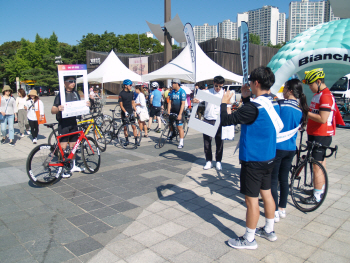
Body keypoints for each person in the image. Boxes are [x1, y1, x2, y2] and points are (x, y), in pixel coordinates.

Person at [221, 66, 281, 249]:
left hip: (253, 160)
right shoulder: (274, 102)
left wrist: (224, 103)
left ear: (256, 83)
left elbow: (227, 120)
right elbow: (254, 113)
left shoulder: (254, 107)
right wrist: (246, 98)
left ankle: (248, 239)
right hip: (269, 157)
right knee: (267, 193)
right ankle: (269, 230)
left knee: (251, 200)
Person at [271, 79, 309, 222]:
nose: (283, 90)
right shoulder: (301, 109)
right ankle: (282, 208)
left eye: (285, 88)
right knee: (284, 179)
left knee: (273, 180)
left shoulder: (280, 105)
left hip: (278, 147)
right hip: (291, 148)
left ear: (290, 90)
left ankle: (273, 210)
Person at [301, 68, 336, 204]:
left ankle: (316, 196)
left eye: (311, 85)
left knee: (317, 166)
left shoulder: (325, 95)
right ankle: (318, 189)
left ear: (319, 81)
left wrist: (305, 112)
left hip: (321, 135)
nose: (310, 88)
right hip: (314, 134)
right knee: (320, 164)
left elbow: (322, 118)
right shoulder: (318, 94)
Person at [51, 76, 90, 177]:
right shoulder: (61, 95)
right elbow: (52, 110)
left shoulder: (76, 93)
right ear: (65, 83)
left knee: (74, 146)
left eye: (74, 81)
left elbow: (80, 106)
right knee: (63, 147)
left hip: (73, 122)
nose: (73, 83)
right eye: (70, 81)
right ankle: (62, 168)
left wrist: (87, 105)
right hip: (63, 123)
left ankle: (73, 165)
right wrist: (58, 108)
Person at [193, 76, 226, 171]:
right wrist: (195, 100)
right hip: (208, 119)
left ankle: (218, 161)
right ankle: (208, 161)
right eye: (216, 86)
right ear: (213, 83)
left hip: (219, 120)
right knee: (207, 142)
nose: (218, 88)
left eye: (220, 86)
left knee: (219, 141)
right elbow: (197, 100)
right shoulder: (207, 92)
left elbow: (228, 107)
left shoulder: (224, 94)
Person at [167, 79, 187, 149]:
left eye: (173, 83)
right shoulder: (172, 92)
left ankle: (181, 142)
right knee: (170, 123)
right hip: (173, 110)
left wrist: (180, 114)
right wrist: (168, 111)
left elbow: (183, 104)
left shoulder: (182, 92)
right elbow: (170, 102)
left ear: (176, 84)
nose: (171, 85)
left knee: (179, 127)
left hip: (179, 111)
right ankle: (172, 134)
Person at [119, 79, 138, 147]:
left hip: (131, 111)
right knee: (125, 127)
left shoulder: (131, 93)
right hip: (124, 112)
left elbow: (133, 103)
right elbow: (121, 105)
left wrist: (136, 110)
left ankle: (136, 140)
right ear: (126, 86)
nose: (131, 86)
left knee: (134, 126)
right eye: (130, 85)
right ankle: (127, 140)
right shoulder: (121, 93)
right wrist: (125, 112)